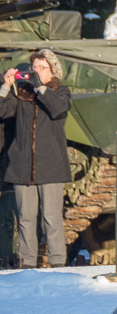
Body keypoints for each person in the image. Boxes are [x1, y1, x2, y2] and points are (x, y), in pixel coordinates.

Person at [1, 50, 72, 268]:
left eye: (42, 68)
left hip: (50, 164)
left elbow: (59, 109)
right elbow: (3, 112)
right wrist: (6, 86)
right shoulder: (21, 93)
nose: (37, 72)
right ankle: (27, 262)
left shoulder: (60, 91)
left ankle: (58, 262)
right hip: (23, 164)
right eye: (35, 67)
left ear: (52, 71)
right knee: (25, 218)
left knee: (51, 218)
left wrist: (40, 87)